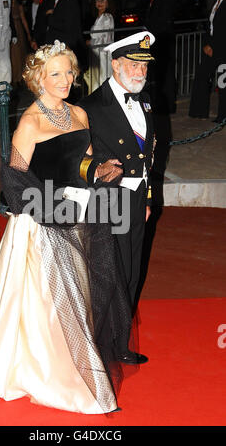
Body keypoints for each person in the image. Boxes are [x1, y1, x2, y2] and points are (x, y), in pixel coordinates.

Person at [0, 40, 137, 414]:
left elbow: (82, 163)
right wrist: (52, 208)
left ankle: (80, 357)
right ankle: (58, 373)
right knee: (50, 304)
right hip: (42, 220)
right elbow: (14, 180)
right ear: (38, 79)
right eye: (56, 74)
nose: (65, 79)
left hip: (80, 212)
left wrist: (100, 169)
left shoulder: (79, 115)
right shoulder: (30, 122)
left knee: (86, 290)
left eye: (69, 72)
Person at [78, 32, 157, 364]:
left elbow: (149, 155)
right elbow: (74, 160)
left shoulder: (146, 101)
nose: (140, 74)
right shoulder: (91, 107)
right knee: (108, 274)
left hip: (137, 199)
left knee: (130, 272)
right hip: (109, 200)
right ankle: (96, 347)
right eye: (132, 66)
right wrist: (96, 167)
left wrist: (148, 194)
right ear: (114, 64)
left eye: (144, 68)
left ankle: (120, 344)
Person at [189, 0, 226, 122]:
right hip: (211, 46)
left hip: (222, 50)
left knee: (223, 83)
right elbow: (210, 26)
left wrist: (213, 46)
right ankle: (198, 111)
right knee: (201, 75)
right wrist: (207, 44)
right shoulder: (217, 1)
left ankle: (223, 116)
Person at [145, 0, 177, 114]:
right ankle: (161, 104)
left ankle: (167, 106)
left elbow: (164, 17)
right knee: (159, 74)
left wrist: (152, 31)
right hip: (157, 39)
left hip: (162, 40)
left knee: (165, 74)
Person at [84, 0, 115, 93]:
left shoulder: (107, 17)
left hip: (103, 56)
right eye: (98, 0)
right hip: (96, 54)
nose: (100, 3)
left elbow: (105, 39)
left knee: (101, 81)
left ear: (108, 3)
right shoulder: (99, 17)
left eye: (103, 0)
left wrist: (90, 42)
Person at [9, 0, 32, 88]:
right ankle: (12, 78)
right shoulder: (6, 4)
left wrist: (28, 34)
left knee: (19, 54)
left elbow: (23, 20)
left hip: (18, 30)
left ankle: (19, 78)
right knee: (11, 54)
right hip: (10, 30)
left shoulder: (19, 6)